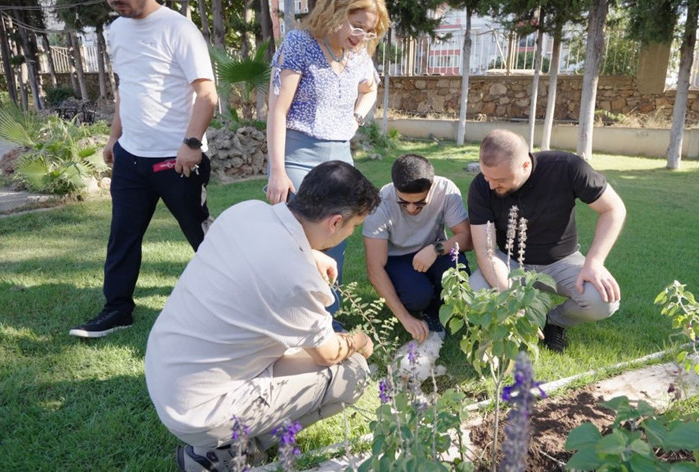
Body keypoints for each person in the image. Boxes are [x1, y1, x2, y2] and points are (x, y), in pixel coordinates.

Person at [144, 161, 380, 472]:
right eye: (354, 226)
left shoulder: (245, 212)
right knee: (353, 371)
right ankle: (227, 453)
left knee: (297, 346)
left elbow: (266, 255)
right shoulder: (297, 280)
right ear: (335, 222)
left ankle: (230, 442)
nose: (351, 233)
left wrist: (309, 254)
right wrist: (359, 340)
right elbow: (328, 354)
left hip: (166, 372)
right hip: (199, 413)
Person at [69, 0, 217, 338]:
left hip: (176, 160)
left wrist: (191, 144)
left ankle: (237, 296)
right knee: (123, 235)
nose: (116, 3)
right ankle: (117, 309)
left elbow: (207, 95)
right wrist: (114, 137)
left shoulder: (179, 29)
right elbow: (127, 87)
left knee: (201, 235)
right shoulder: (117, 29)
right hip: (130, 157)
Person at [265, 0, 390, 318]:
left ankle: (326, 320)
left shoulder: (358, 54)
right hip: (297, 157)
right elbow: (278, 112)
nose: (362, 36)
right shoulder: (299, 43)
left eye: (369, 31)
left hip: (340, 159)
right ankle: (287, 319)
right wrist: (277, 170)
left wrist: (356, 118)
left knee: (337, 240)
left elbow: (370, 89)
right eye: (357, 25)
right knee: (296, 243)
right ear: (335, 12)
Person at [468, 129, 626, 353]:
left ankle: (554, 322)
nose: (492, 186)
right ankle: (510, 328)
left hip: (562, 260)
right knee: (475, 292)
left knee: (603, 301)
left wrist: (595, 262)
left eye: (500, 179)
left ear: (525, 165)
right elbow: (486, 253)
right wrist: (511, 300)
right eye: (487, 177)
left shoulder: (566, 167)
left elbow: (613, 209)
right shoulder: (481, 187)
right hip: (510, 262)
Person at [363, 154, 472, 344]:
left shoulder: (446, 190)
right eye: (403, 202)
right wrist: (405, 318)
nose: (411, 209)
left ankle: (435, 310)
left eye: (420, 203)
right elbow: (375, 268)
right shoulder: (380, 204)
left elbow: (467, 238)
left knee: (457, 268)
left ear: (432, 185)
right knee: (417, 296)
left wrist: (436, 249)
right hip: (398, 258)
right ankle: (419, 303)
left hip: (433, 250)